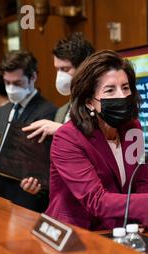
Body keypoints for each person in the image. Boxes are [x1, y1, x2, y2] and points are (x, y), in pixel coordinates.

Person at [45, 50, 148, 232]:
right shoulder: (68, 137)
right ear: (89, 102)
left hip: (118, 230)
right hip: (72, 234)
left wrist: (144, 219)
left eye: (125, 88)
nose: (122, 96)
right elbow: (96, 201)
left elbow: (142, 182)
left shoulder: (132, 127)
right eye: (110, 90)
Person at [0, 50, 57, 212]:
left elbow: (37, 165)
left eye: (17, 83)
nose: (11, 89)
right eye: (7, 83)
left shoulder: (48, 112)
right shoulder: (1, 112)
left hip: (26, 200)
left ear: (33, 77)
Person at [20, 32, 95, 195]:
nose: (59, 76)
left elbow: (100, 149)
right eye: (57, 69)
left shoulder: (100, 106)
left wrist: (61, 130)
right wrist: (38, 185)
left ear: (84, 67)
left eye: (64, 69)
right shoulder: (62, 111)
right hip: (63, 200)